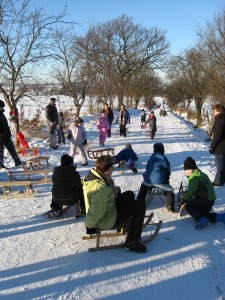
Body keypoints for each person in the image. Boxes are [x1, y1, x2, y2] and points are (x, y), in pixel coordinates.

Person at [83, 155, 148, 253]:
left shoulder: (94, 177)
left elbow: (106, 191)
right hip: (106, 220)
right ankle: (131, 241)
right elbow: (96, 210)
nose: (114, 168)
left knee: (129, 194)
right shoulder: (100, 189)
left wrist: (115, 190)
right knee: (140, 205)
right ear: (108, 168)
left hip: (108, 209)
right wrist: (90, 226)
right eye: (112, 167)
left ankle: (125, 226)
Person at [181, 156, 225, 230]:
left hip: (204, 199)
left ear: (192, 169)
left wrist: (184, 199)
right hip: (210, 200)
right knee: (201, 213)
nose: (187, 172)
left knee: (189, 206)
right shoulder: (201, 174)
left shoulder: (194, 177)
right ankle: (220, 217)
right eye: (186, 170)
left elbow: (191, 191)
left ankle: (202, 220)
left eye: (188, 169)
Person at [136, 143, 175, 212]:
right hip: (159, 181)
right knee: (170, 190)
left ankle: (139, 201)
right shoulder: (164, 158)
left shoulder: (151, 157)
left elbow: (147, 167)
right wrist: (166, 179)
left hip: (148, 180)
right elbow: (167, 169)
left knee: (144, 187)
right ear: (162, 150)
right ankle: (170, 205)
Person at [0, 100, 21, 167]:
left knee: (12, 149)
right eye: (2, 107)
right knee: (1, 152)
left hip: (6, 135)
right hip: (1, 137)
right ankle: (1, 165)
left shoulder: (1, 113)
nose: (3, 108)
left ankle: (18, 162)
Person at [209, 104, 225, 186]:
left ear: (219, 111)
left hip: (221, 147)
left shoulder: (220, 120)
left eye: (214, 112)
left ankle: (218, 182)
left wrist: (212, 146)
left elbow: (217, 135)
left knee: (220, 166)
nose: (213, 113)